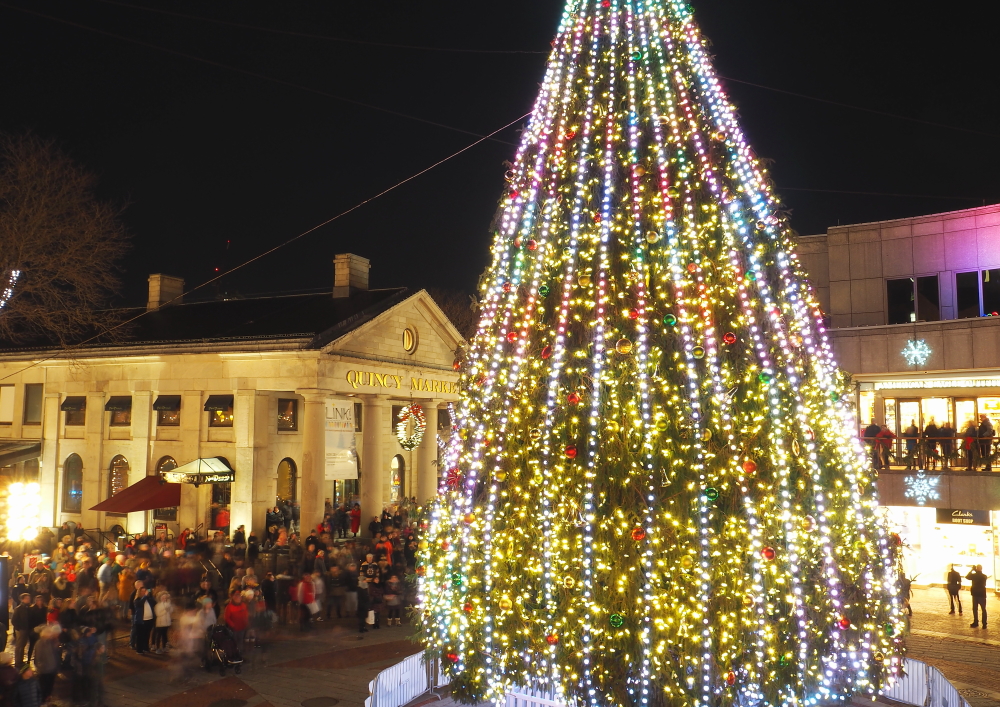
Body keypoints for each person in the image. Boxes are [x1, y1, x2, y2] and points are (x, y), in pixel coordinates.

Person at [131, 585, 156, 654]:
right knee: (140, 636)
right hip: (141, 621)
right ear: (139, 592)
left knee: (147, 635)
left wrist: (150, 595)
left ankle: (145, 648)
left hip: (149, 620)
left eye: (145, 591)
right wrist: (145, 596)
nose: (144, 592)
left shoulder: (148, 599)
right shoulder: (137, 600)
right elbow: (140, 604)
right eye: (142, 591)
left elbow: (154, 602)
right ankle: (139, 650)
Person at [967, 564, 988, 628]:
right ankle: (984, 624)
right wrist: (976, 571)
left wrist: (972, 570)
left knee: (975, 609)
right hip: (982, 594)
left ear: (976, 568)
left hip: (975, 594)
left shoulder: (974, 575)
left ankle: (976, 622)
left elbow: (967, 577)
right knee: (983, 609)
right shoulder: (984, 576)